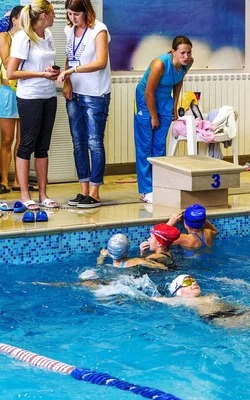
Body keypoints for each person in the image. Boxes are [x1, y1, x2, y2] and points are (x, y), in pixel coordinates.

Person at [54, 0, 110, 208]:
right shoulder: (70, 30)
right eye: (69, 14)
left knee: (94, 141)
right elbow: (70, 57)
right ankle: (83, 189)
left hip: (95, 93)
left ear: (86, 12)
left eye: (75, 14)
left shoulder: (99, 29)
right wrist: (67, 81)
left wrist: (71, 72)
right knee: (78, 142)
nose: (72, 18)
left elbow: (101, 61)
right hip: (75, 93)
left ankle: (95, 191)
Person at [6, 0, 59, 211]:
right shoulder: (23, 38)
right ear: (44, 15)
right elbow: (11, 73)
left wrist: (51, 72)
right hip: (29, 97)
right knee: (26, 145)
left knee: (43, 146)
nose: (55, 17)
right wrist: (41, 74)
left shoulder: (49, 36)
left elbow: (43, 63)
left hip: (48, 95)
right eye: (53, 13)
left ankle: (43, 194)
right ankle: (25, 194)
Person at [134, 36, 193, 204]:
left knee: (159, 145)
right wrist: (153, 116)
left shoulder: (188, 62)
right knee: (145, 145)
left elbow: (178, 82)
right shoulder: (160, 64)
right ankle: (146, 190)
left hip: (165, 100)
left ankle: (159, 185)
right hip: (145, 101)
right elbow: (148, 92)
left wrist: (175, 107)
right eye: (182, 53)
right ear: (173, 52)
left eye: (189, 52)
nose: (186, 56)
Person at [151, 274, 250, 328]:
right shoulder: (184, 300)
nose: (193, 283)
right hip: (219, 318)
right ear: (178, 291)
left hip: (236, 312)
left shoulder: (209, 295)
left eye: (194, 281)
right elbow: (161, 300)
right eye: (187, 283)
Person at [0, 6, 22, 195]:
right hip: (7, 92)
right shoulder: (5, 37)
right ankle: (4, 180)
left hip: (25, 91)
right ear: (15, 19)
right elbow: (7, 63)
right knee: (7, 139)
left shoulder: (29, 39)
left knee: (23, 141)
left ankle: (18, 181)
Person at [96, 233, 170, 270]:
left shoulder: (110, 266)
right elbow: (162, 267)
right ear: (127, 248)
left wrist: (101, 257)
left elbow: (99, 268)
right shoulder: (135, 261)